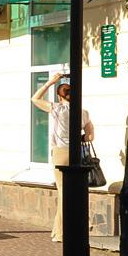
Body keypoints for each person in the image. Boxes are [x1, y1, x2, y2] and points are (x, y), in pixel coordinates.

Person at [32, 73, 94, 243]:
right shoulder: (83, 112)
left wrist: (51, 82)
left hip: (60, 153)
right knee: (75, 192)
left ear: (60, 96)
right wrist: (78, 138)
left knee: (64, 193)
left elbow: (35, 98)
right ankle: (62, 230)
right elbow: (90, 136)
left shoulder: (57, 109)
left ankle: (61, 233)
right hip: (77, 153)